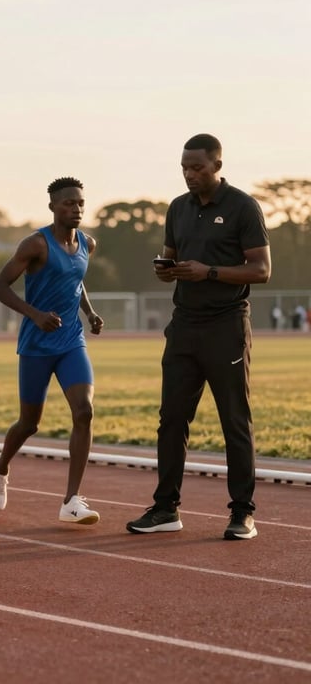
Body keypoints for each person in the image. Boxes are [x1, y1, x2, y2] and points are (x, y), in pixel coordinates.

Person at [126, 133, 271, 541]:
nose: (190, 174)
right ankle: (165, 508)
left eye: (198, 167)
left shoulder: (243, 207)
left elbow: (261, 270)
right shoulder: (177, 208)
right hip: (184, 326)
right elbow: (171, 256)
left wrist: (208, 271)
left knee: (234, 421)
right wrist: (166, 269)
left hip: (226, 326)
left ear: (217, 166)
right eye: (184, 168)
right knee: (171, 420)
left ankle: (243, 513)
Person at [0, 178, 103, 523]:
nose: (76, 209)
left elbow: (75, 281)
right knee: (29, 424)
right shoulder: (35, 244)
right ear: (53, 207)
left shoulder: (87, 243)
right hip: (37, 345)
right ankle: (1, 465)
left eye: (80, 203)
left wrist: (90, 312)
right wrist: (34, 315)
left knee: (84, 411)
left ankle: (71, 501)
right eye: (69, 203)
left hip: (71, 343)